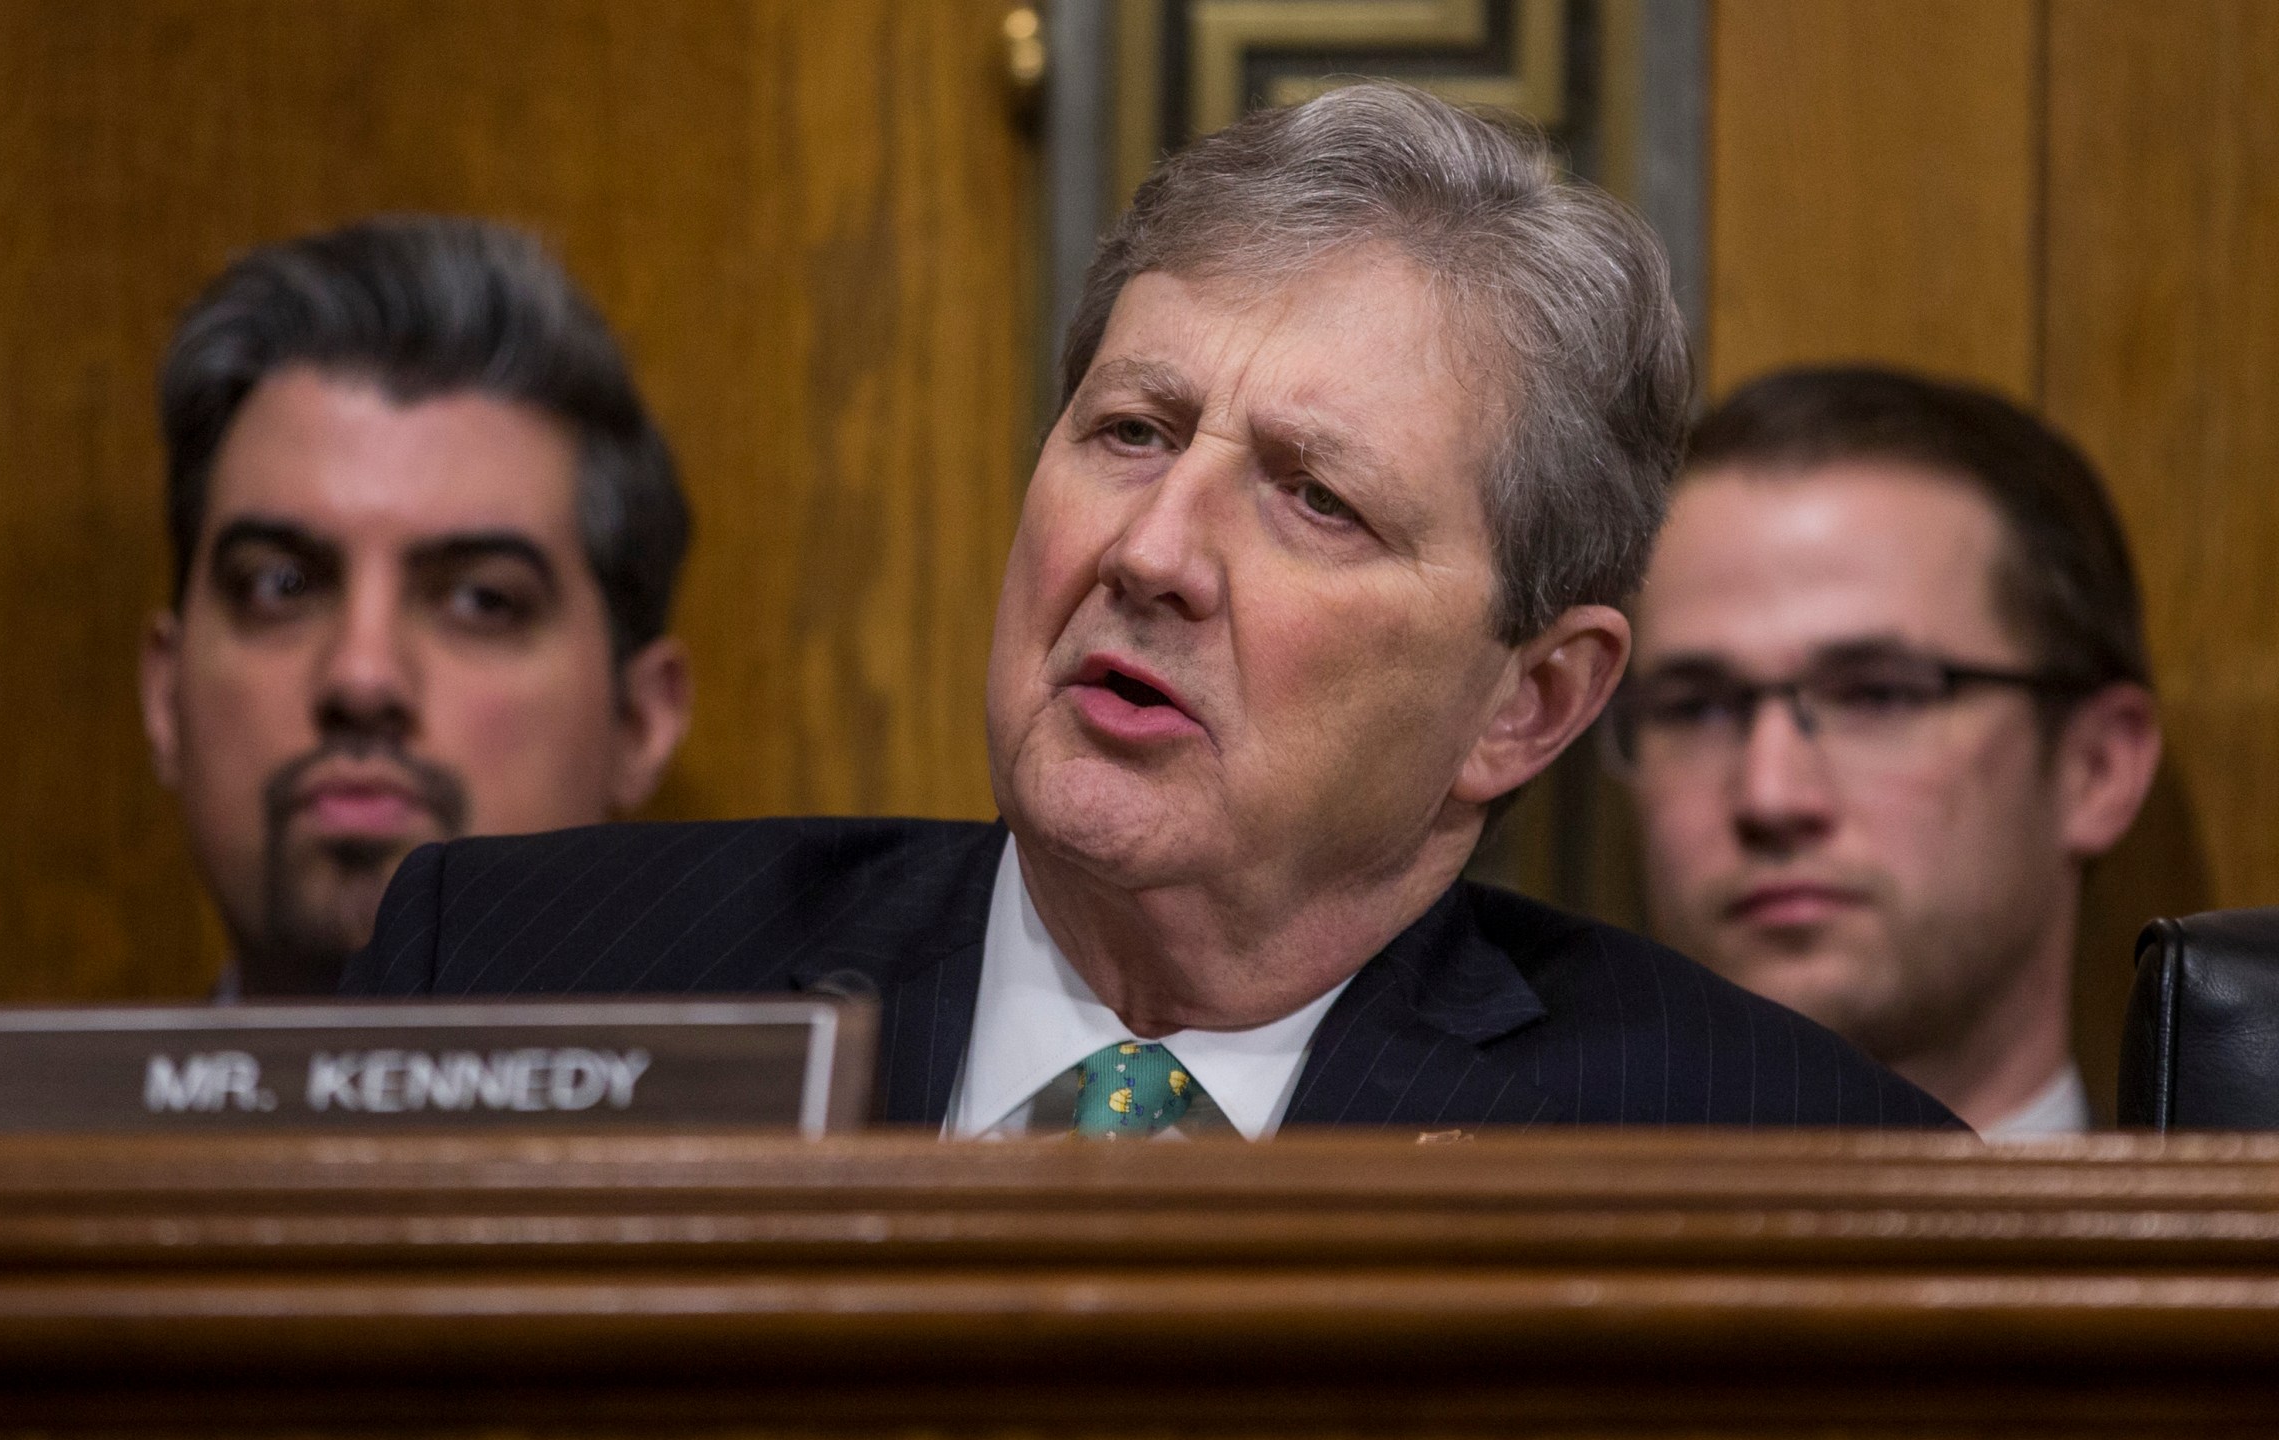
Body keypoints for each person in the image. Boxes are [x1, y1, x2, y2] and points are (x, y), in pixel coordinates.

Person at [346, 86, 1954, 1135]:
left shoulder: (1774, 1158)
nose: (1155, 552)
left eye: (1314, 499)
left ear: (1525, 702)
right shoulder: (505, 981)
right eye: (1132, 433)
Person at [141, 215, 695, 996]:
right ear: (164, 699)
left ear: (639, 725)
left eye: (481, 600)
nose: (362, 679)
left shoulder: (848, 1121)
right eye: (281, 586)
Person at [1613, 366, 2159, 1135]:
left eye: (1878, 696)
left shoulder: (2231, 1258)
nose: (1770, 796)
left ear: (2097, 769)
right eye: (1695, 707)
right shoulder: (1501, 1252)